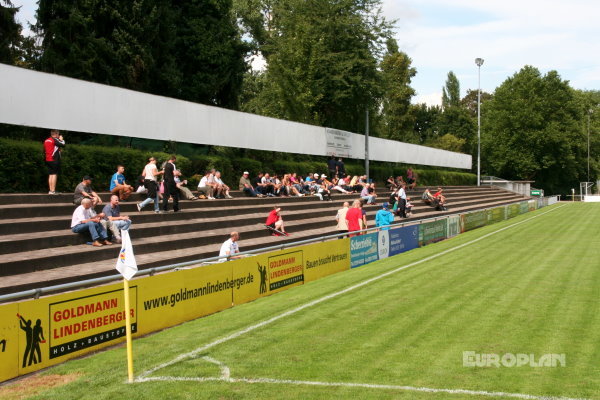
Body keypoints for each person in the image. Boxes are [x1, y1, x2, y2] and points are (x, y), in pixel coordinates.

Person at [44, 129, 65, 195]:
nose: (59, 135)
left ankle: (50, 190)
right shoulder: (54, 140)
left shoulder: (47, 140)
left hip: (48, 159)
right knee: (54, 175)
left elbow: (51, 148)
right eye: (58, 134)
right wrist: (61, 139)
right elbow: (63, 144)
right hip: (54, 160)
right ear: (55, 134)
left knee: (50, 175)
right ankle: (53, 191)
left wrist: (58, 150)